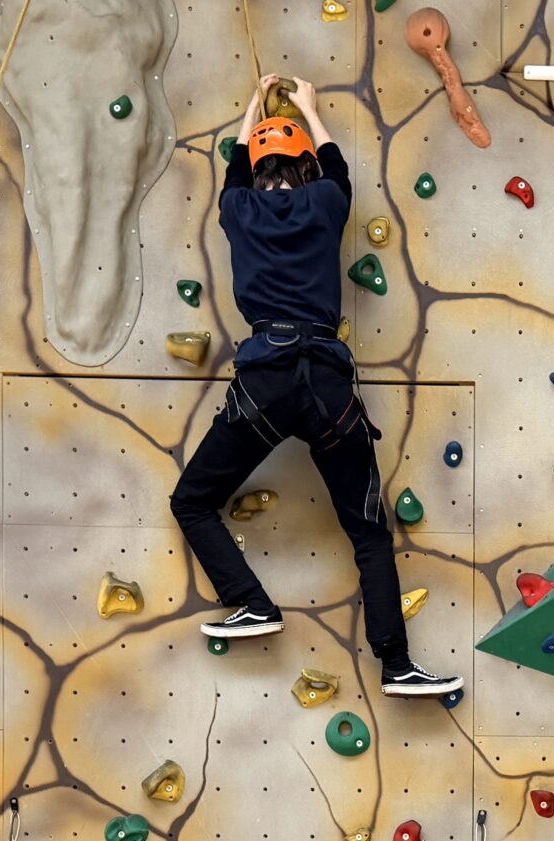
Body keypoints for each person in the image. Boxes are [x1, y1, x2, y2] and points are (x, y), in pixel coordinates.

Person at [167, 74, 460, 698]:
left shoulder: (239, 209)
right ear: (303, 167)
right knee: (369, 534)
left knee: (192, 500)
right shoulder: (325, 202)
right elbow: (335, 168)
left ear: (254, 165)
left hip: (266, 381)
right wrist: (307, 107)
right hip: (328, 384)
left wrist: (251, 107)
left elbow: (235, 177)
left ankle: (252, 603)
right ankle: (396, 665)